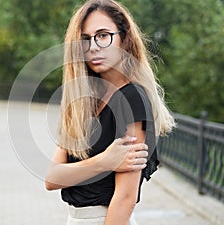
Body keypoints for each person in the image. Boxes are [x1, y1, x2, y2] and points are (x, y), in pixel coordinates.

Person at [45, 0, 175, 224]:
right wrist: (104, 161)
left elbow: (125, 199)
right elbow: (52, 178)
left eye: (103, 35)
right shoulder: (83, 102)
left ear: (124, 39)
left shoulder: (133, 99)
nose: (93, 46)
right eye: (85, 39)